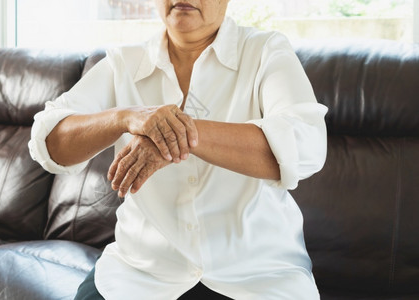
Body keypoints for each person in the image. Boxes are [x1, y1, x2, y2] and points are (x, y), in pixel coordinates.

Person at [29, 0, 328, 299]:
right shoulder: (125, 62)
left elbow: (306, 145)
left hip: (255, 274)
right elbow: (49, 142)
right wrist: (127, 116)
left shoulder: (265, 51)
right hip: (139, 272)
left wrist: (176, 134)